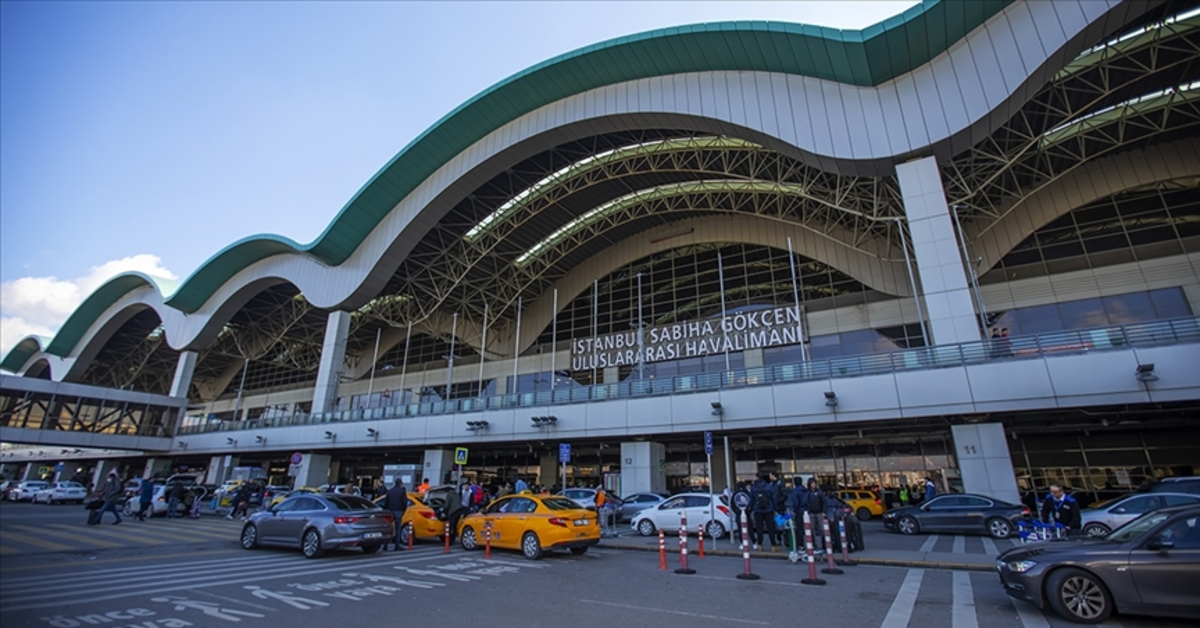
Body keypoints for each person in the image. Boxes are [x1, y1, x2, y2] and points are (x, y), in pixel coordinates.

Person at [749, 473, 777, 551]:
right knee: (771, 528)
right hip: (769, 509)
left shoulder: (754, 488)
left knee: (759, 528)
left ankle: (760, 545)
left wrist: (751, 509)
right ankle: (773, 545)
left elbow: (751, 500)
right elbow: (774, 498)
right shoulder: (769, 486)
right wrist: (775, 508)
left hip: (758, 510)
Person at [804, 479, 828, 553]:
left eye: (814, 483)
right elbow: (806, 502)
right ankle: (813, 545)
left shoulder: (819, 492)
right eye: (812, 483)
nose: (813, 485)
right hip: (811, 512)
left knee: (822, 529)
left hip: (819, 512)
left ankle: (824, 545)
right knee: (811, 529)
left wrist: (823, 511)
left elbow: (824, 502)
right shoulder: (808, 492)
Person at [383, 481, 408, 551]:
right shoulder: (402, 491)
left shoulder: (390, 491)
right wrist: (403, 510)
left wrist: (387, 509)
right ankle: (397, 545)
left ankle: (385, 545)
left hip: (390, 511)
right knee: (398, 529)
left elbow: (386, 502)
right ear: (400, 484)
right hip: (398, 511)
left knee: (389, 528)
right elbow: (404, 502)